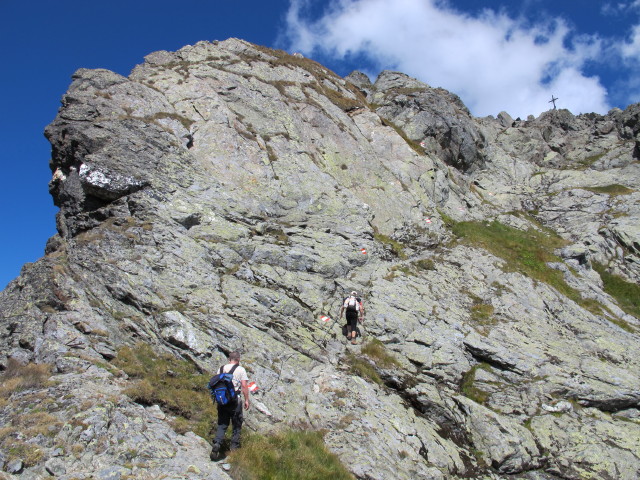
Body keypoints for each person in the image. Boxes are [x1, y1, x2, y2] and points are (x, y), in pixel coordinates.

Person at [210, 351, 250, 459]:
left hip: (222, 401)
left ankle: (217, 443)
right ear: (238, 360)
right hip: (235, 401)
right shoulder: (241, 370)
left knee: (222, 424)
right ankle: (234, 451)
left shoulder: (221, 368)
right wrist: (247, 400)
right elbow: (244, 386)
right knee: (236, 425)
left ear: (229, 359)